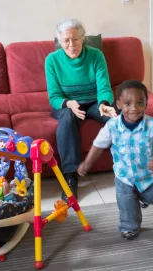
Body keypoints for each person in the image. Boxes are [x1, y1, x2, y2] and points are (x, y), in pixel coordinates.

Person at [77, 80, 153, 240]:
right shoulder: (111, 126)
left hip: (148, 175)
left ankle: (141, 198)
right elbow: (98, 145)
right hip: (124, 175)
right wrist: (87, 163)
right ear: (119, 104)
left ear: (146, 104)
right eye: (128, 103)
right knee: (126, 202)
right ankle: (129, 227)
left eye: (140, 103)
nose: (134, 108)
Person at [45, 18, 117, 202]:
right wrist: (68, 103)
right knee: (67, 120)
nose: (71, 45)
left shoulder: (96, 55)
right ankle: (70, 176)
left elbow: (104, 87)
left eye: (75, 39)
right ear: (59, 42)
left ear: (83, 38)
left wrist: (104, 103)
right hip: (67, 104)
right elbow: (54, 96)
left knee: (117, 120)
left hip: (94, 101)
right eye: (66, 40)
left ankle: (129, 168)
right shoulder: (52, 60)